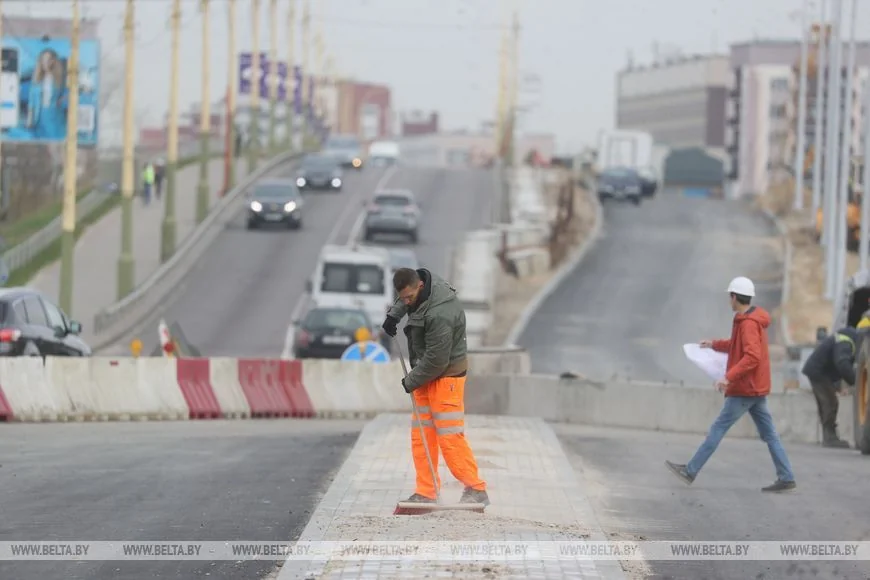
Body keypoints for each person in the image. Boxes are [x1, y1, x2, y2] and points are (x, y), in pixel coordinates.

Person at [665, 276, 797, 493]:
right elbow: (736, 346)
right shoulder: (748, 319)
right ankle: (787, 476)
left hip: (745, 389)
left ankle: (690, 471)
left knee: (717, 429)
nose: (729, 300)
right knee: (770, 434)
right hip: (755, 388)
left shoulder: (747, 324)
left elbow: (751, 356)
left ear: (734, 297)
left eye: (730, 296)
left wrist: (729, 377)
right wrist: (714, 344)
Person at [382, 267, 489, 506]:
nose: (406, 301)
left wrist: (410, 381)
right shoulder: (419, 286)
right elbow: (407, 298)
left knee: (449, 436)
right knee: (421, 433)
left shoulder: (440, 312)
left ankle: (476, 488)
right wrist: (394, 315)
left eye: (408, 298)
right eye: (403, 298)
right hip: (425, 373)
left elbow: (437, 361)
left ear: (419, 286)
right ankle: (427, 491)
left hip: (445, 376)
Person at [802, 319, 867, 448]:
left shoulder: (848, 337)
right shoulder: (847, 340)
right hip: (818, 372)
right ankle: (830, 438)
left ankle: (828, 436)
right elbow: (842, 363)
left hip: (818, 370)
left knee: (826, 403)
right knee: (830, 402)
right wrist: (857, 382)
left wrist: (838, 385)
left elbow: (835, 362)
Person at [26, 49, 66, 140]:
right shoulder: (36, 78)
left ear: (53, 61)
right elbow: (31, 100)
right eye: (43, 59)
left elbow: (66, 93)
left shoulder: (59, 78)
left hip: (54, 115)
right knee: (40, 142)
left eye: (48, 59)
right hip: (39, 115)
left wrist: (62, 100)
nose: (45, 62)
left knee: (54, 141)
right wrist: (29, 118)